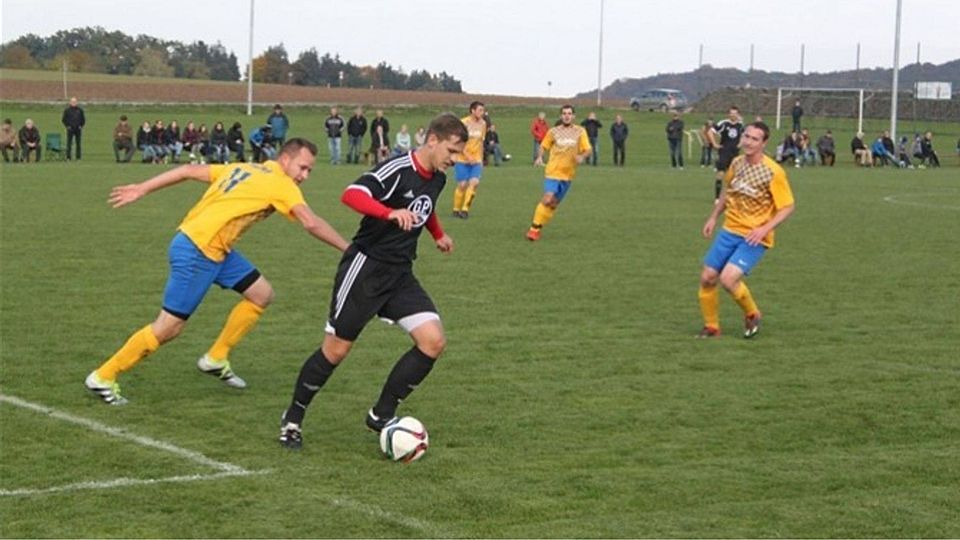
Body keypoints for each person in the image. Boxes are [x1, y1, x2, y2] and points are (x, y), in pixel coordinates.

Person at [84, 138, 350, 405]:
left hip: (211, 247)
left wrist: (143, 188)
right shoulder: (281, 184)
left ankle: (216, 357)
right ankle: (104, 376)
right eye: (302, 168)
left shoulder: (244, 167)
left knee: (261, 294)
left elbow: (187, 170)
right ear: (285, 160)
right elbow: (311, 222)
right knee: (169, 327)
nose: (304, 176)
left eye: (309, 171)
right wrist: (348, 249)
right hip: (199, 251)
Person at [277, 114, 468, 449]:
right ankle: (292, 418)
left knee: (433, 341)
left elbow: (425, 207)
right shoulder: (397, 168)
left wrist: (438, 234)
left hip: (400, 274)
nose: (454, 159)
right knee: (335, 351)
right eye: (452, 150)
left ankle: (381, 414)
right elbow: (351, 194)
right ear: (433, 140)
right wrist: (388, 213)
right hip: (365, 269)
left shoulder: (437, 177)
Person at [697, 121, 795, 339]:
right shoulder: (737, 164)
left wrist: (764, 229)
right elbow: (727, 192)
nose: (749, 142)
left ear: (763, 143)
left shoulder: (773, 172)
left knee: (728, 279)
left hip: (754, 236)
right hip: (730, 229)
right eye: (747, 137)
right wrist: (713, 217)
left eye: (755, 139)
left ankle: (752, 313)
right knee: (707, 277)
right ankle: (711, 327)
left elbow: (788, 207)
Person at [525, 105, 592, 242]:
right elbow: (543, 146)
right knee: (547, 198)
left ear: (573, 116)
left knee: (553, 204)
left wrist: (582, 157)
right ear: (561, 116)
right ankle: (533, 230)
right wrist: (539, 157)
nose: (567, 116)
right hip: (553, 172)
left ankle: (538, 226)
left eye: (569, 113)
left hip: (568, 175)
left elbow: (588, 149)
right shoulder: (553, 131)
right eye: (564, 113)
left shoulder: (580, 131)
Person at [451, 101, 487, 219]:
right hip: (462, 159)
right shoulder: (463, 123)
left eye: (483, 110)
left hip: (475, 160)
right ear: (472, 110)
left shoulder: (483, 124)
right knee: (462, 184)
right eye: (480, 110)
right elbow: (458, 142)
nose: (482, 113)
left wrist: (480, 159)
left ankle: (465, 209)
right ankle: (456, 209)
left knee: (474, 183)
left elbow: (481, 142)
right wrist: (467, 156)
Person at [710, 106, 744, 200]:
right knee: (720, 174)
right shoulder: (724, 123)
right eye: (731, 113)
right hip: (724, 152)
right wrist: (714, 144)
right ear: (728, 114)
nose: (733, 115)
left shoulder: (740, 125)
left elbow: (744, 135)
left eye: (735, 113)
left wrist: (740, 144)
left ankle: (732, 197)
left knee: (734, 176)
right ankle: (717, 198)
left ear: (738, 114)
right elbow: (711, 131)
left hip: (734, 153)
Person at [62, 96, 86, 161]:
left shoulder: (80, 110)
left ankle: (78, 157)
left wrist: (81, 126)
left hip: (78, 129)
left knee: (78, 144)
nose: (74, 103)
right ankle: (68, 157)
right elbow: (64, 119)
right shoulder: (67, 110)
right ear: (70, 102)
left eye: (75, 102)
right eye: (72, 102)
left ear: (77, 102)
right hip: (70, 129)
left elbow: (83, 119)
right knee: (69, 143)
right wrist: (67, 126)